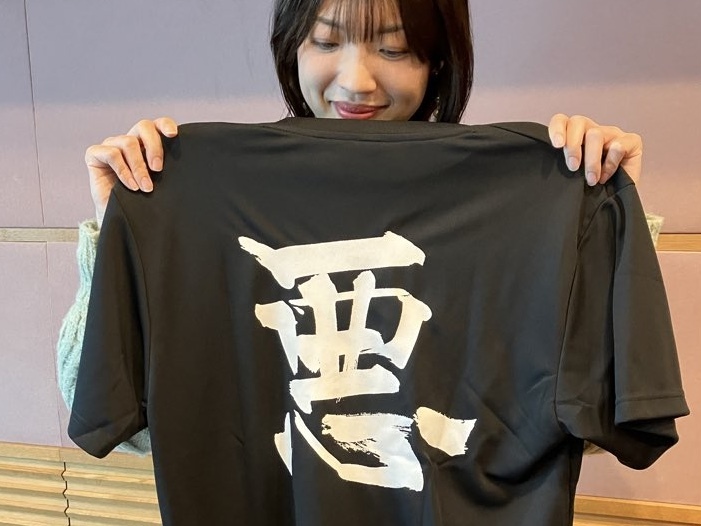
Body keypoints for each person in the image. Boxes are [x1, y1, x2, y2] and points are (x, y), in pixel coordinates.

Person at [58, 0, 645, 456]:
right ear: (291, 46)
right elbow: (122, 425)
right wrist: (122, 233)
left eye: (394, 48)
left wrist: (605, 225)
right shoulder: (206, 197)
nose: (356, 80)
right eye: (326, 41)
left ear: (438, 59)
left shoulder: (518, 205)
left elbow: (589, 426)